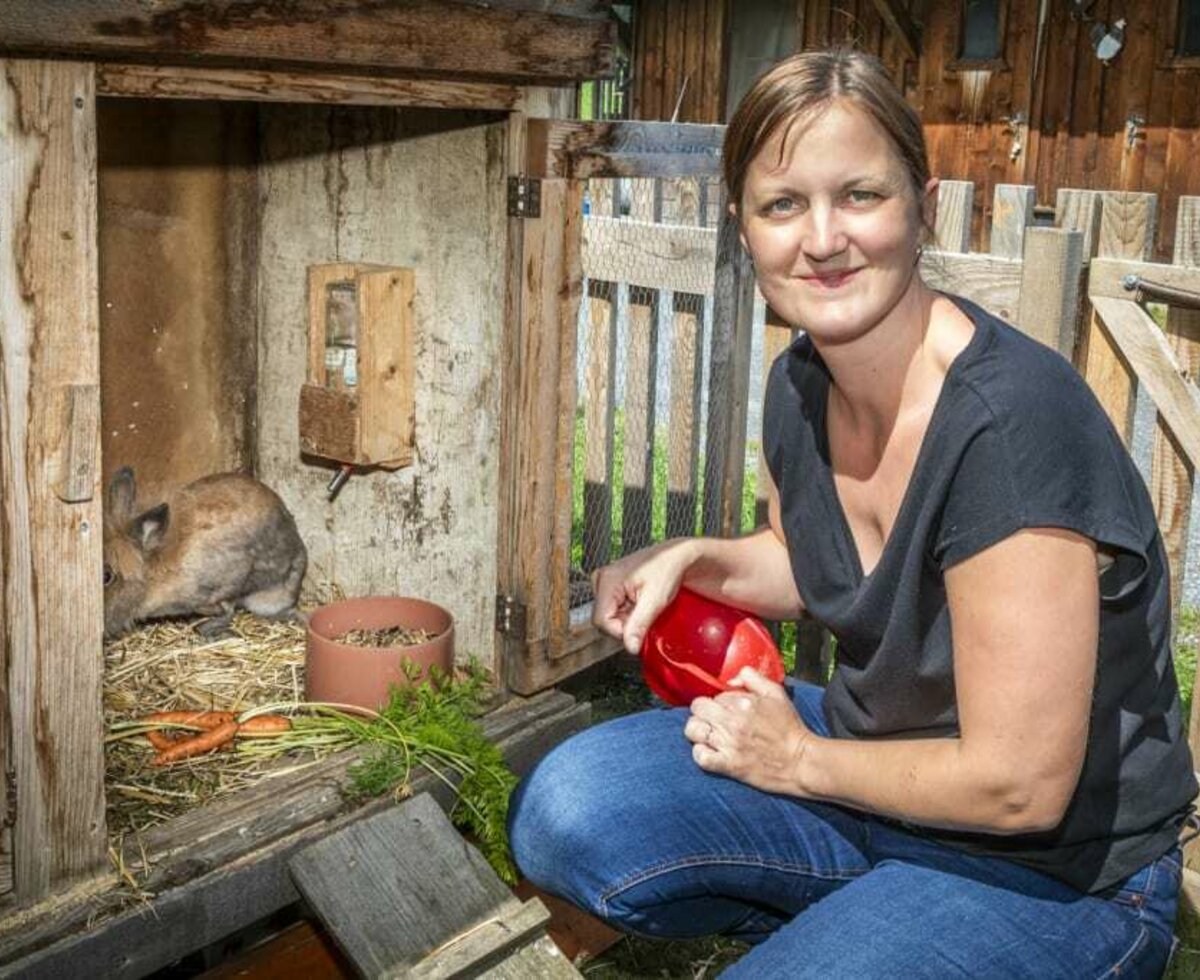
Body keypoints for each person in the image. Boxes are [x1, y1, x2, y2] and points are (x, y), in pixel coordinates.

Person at [507, 48, 1197, 978]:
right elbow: (816, 563)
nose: (822, 238)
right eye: (782, 204)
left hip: (1054, 871)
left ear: (920, 200)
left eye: (860, 195)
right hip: (871, 772)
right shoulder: (802, 384)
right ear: (744, 227)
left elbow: (1020, 787)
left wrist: (800, 764)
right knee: (566, 811)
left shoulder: (1008, 426)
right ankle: (872, 920)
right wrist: (693, 557)